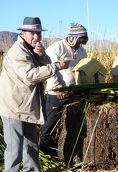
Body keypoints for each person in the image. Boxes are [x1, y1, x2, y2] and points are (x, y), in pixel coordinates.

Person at [0, 17, 69, 172]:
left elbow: (45, 66)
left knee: (31, 147)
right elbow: (30, 76)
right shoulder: (17, 52)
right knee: (14, 152)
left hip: (29, 107)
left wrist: (42, 55)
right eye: (32, 33)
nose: (36, 36)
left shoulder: (31, 50)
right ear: (23, 33)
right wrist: (57, 65)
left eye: (38, 32)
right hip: (13, 108)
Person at [40, 23, 88, 157]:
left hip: (74, 93)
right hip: (57, 94)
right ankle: (44, 150)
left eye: (82, 43)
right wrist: (57, 89)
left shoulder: (82, 51)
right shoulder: (56, 48)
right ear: (73, 38)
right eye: (79, 42)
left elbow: (84, 69)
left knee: (73, 122)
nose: (81, 45)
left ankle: (72, 151)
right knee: (50, 122)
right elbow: (50, 71)